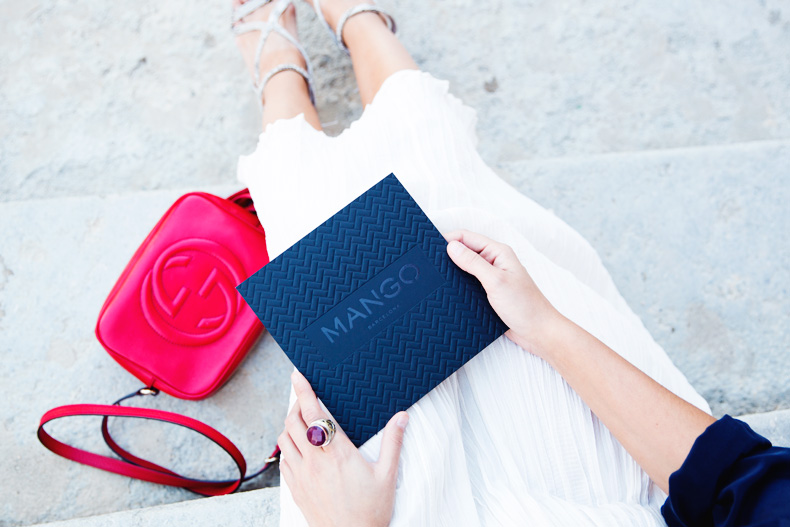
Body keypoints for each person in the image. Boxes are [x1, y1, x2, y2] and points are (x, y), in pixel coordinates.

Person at [230, 0, 790, 525]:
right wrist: (547, 327)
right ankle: (362, 27)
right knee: (447, 222)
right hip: (636, 494)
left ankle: (280, 66)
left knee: (317, 243)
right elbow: (737, 485)